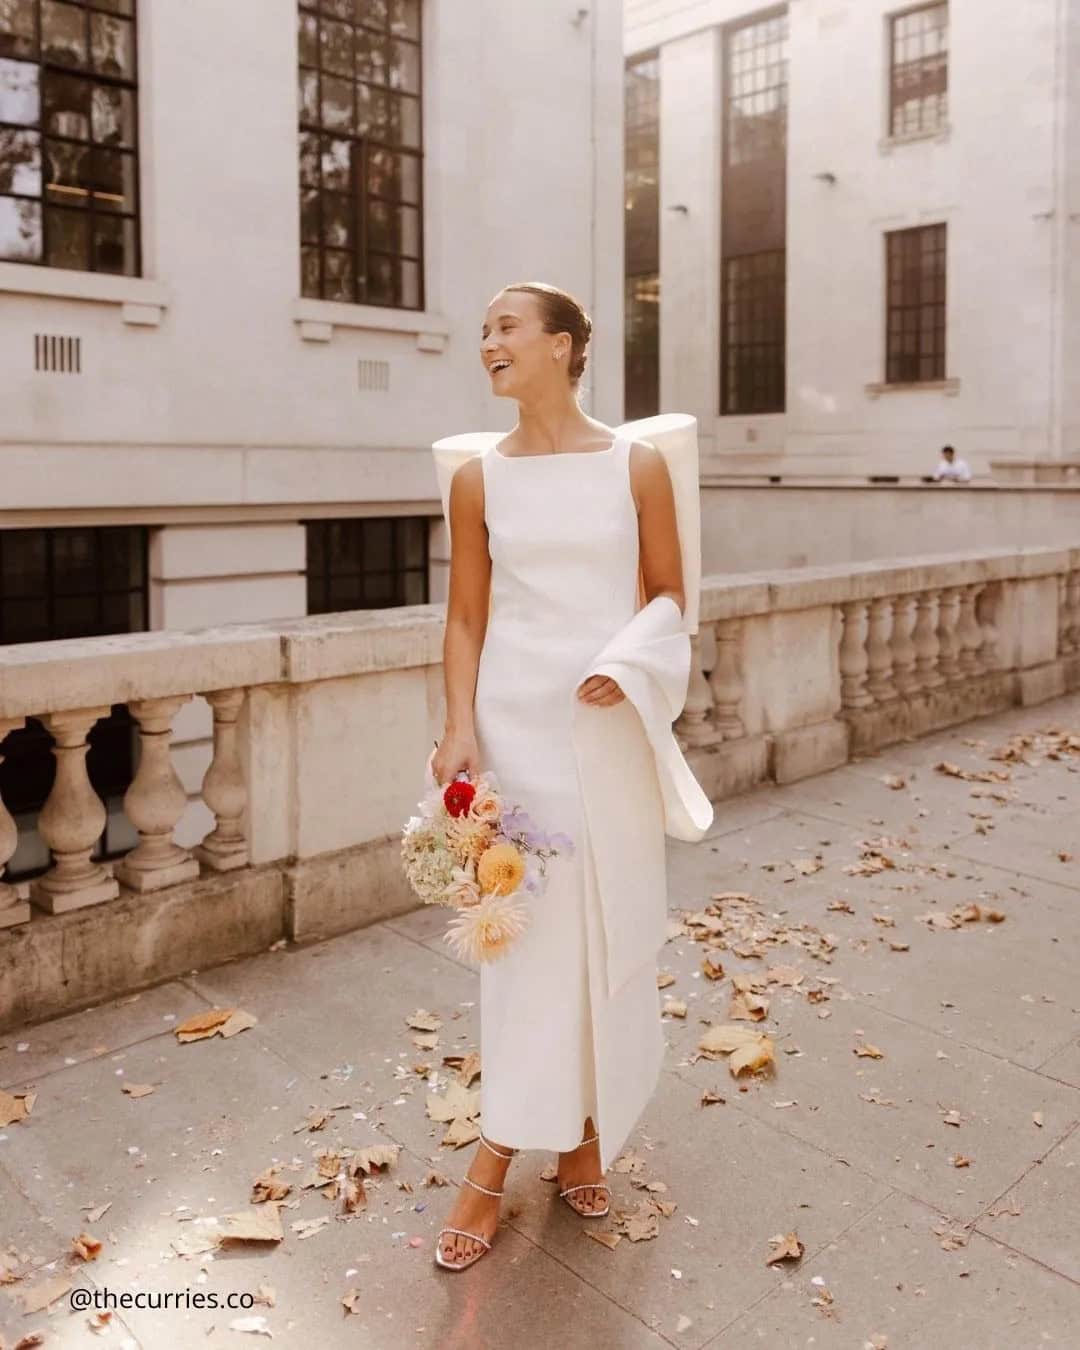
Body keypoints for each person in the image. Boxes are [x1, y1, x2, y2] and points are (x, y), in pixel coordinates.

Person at [429, 282, 700, 1272]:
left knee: (602, 928)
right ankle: (496, 1154)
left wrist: (625, 663)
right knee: (526, 943)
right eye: (485, 327)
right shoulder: (476, 480)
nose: (489, 342)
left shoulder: (637, 466)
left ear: (564, 345)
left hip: (604, 725)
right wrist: (459, 727)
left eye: (507, 327)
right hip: (515, 730)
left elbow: (672, 596)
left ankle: (582, 1126)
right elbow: (464, 617)